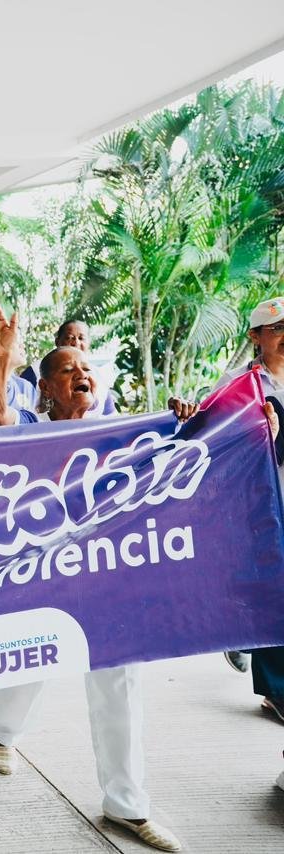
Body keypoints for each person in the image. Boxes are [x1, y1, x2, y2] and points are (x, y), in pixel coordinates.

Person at [0, 297, 229, 853]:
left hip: (109, 579)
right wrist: (1, 361)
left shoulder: (124, 433)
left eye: (86, 368)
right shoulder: (32, 430)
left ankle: (126, 807)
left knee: (120, 683)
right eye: (67, 371)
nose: (81, 375)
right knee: (27, 666)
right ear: (45, 389)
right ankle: (5, 736)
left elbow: (184, 452)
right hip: (41, 576)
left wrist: (186, 419)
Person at [211, 296, 284, 726]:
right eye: (276, 330)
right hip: (262, 502)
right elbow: (217, 438)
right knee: (276, 592)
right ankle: (275, 690)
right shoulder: (240, 383)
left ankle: (242, 637)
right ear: (255, 336)